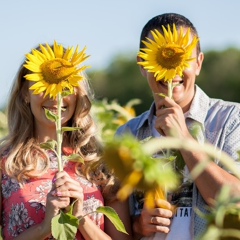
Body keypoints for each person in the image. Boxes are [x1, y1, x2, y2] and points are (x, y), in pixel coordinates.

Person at [116, 13, 240, 239]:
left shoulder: (231, 120)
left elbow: (236, 202)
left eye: (182, 58)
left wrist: (183, 139)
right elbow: (118, 224)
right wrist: (138, 226)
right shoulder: (127, 134)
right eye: (161, 58)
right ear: (143, 65)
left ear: (199, 63)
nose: (172, 70)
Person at [0, 42, 132, 240]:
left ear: (79, 94)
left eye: (66, 85)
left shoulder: (99, 162)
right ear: (25, 94)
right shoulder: (6, 164)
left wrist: (80, 218)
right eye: (44, 84)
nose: (56, 95)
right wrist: (45, 228)